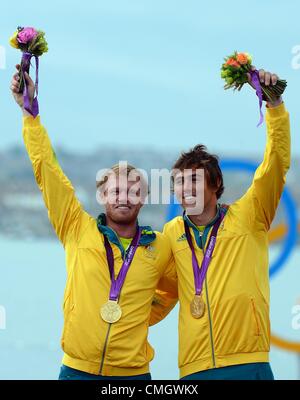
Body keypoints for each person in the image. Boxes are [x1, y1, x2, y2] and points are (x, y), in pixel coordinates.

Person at [10, 65, 177, 380]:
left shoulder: (161, 244)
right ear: (102, 196)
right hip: (76, 371)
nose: (123, 197)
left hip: (133, 375)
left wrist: (141, 314)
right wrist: (29, 114)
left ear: (144, 198)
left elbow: (175, 289)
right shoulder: (77, 227)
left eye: (132, 190)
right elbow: (48, 172)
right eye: (115, 190)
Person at [153, 67, 290, 380]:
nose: (185, 190)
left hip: (248, 362)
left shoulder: (251, 215)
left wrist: (275, 108)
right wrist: (120, 318)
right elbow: (163, 294)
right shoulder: (172, 234)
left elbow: (276, 164)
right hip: (194, 367)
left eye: (194, 181)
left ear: (215, 185)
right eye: (179, 183)